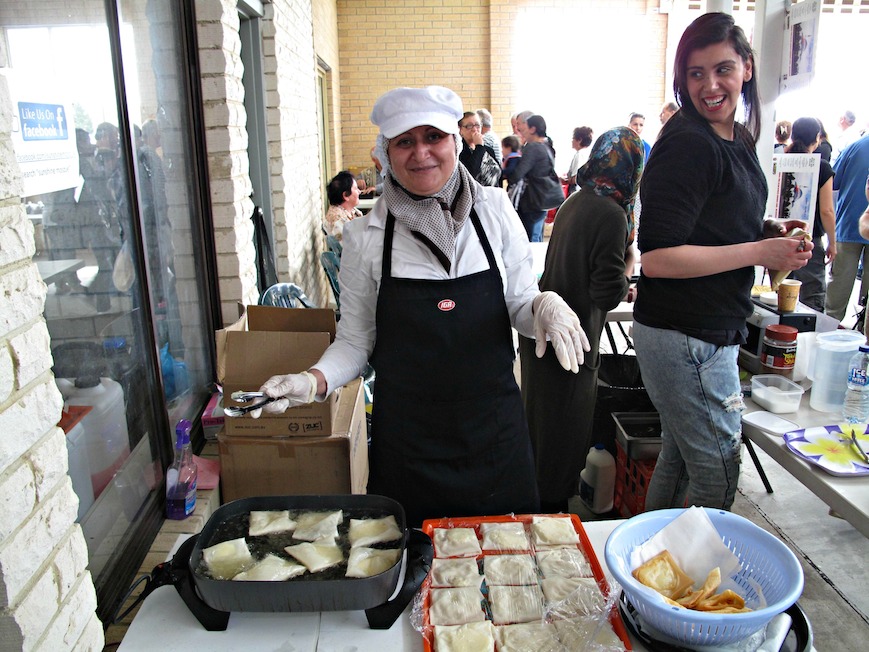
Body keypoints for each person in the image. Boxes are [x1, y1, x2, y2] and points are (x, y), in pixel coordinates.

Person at [251, 86, 590, 526]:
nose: (421, 153)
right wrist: (311, 381)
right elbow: (355, 342)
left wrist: (543, 304)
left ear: (456, 142)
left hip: (495, 438)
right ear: (386, 153)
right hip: (408, 448)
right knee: (414, 563)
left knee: (506, 560)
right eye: (404, 141)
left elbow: (519, 304)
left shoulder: (493, 211)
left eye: (434, 137)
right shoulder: (366, 237)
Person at [632, 13, 812, 511]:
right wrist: (759, 252)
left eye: (723, 69)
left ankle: (655, 558)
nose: (710, 86)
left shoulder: (736, 136)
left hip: (705, 330)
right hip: (685, 334)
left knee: (681, 458)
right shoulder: (689, 143)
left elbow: (714, 220)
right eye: (696, 73)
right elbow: (658, 259)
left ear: (747, 68)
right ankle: (696, 562)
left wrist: (767, 230)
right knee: (718, 467)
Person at [519, 127, 644, 513]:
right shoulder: (612, 214)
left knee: (541, 432)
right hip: (571, 341)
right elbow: (607, 292)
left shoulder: (576, 199)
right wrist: (630, 263)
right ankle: (551, 521)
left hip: (543, 331)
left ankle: (536, 508)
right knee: (564, 438)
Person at [786, 117, 836, 312]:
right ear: (817, 138)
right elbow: (826, 210)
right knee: (812, 296)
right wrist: (832, 243)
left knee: (782, 295)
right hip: (808, 238)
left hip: (781, 236)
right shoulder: (822, 167)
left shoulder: (780, 160)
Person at [824, 133, 869, 321]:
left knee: (838, 290)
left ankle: (829, 328)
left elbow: (833, 182)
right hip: (851, 225)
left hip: (849, 224)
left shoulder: (855, 147)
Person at [506, 114, 564, 241]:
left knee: (530, 238)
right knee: (537, 235)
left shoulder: (533, 147)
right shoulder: (547, 145)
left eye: (524, 128)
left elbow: (517, 174)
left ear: (532, 129)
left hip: (532, 200)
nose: (522, 131)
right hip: (543, 198)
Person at [458, 111, 501, 186]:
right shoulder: (459, 151)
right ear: (460, 130)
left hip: (494, 192)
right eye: (469, 126)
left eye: (477, 125)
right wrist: (479, 147)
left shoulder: (488, 150)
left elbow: (498, 172)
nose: (475, 129)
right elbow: (470, 174)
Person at [323, 170, 362, 241]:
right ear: (345, 195)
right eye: (356, 189)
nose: (359, 192)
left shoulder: (350, 211)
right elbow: (355, 245)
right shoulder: (337, 220)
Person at [565, 126, 593, 195]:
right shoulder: (589, 153)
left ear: (579, 140)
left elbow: (575, 179)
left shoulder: (579, 155)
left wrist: (563, 180)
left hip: (576, 192)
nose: (572, 141)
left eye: (573, 138)